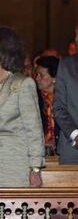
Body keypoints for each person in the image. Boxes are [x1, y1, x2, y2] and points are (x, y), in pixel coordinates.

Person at [0, 26, 45, 187]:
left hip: (13, 165)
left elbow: (33, 130)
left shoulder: (23, 84)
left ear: (0, 50)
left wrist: (35, 168)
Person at [54, 24, 78, 165]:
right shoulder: (66, 65)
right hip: (73, 151)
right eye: (75, 34)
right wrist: (75, 135)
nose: (75, 39)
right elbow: (59, 108)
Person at [35, 56, 60, 156]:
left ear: (54, 78)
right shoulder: (33, 97)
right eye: (36, 74)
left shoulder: (65, 99)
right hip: (39, 151)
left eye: (41, 75)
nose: (37, 78)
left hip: (61, 150)